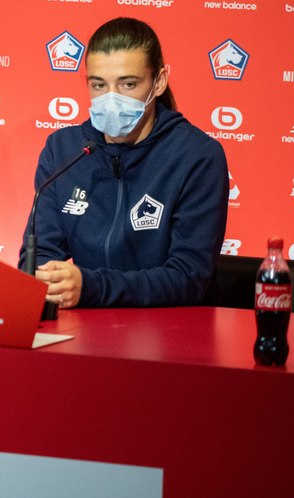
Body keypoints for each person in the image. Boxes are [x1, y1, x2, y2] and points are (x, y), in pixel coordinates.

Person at [19, 17, 228, 308]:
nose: (111, 99)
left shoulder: (198, 156)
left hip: (170, 335)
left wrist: (92, 287)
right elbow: (38, 257)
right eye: (99, 85)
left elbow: (188, 277)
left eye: (128, 84)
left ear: (159, 82)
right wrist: (49, 281)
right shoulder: (64, 150)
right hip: (83, 330)